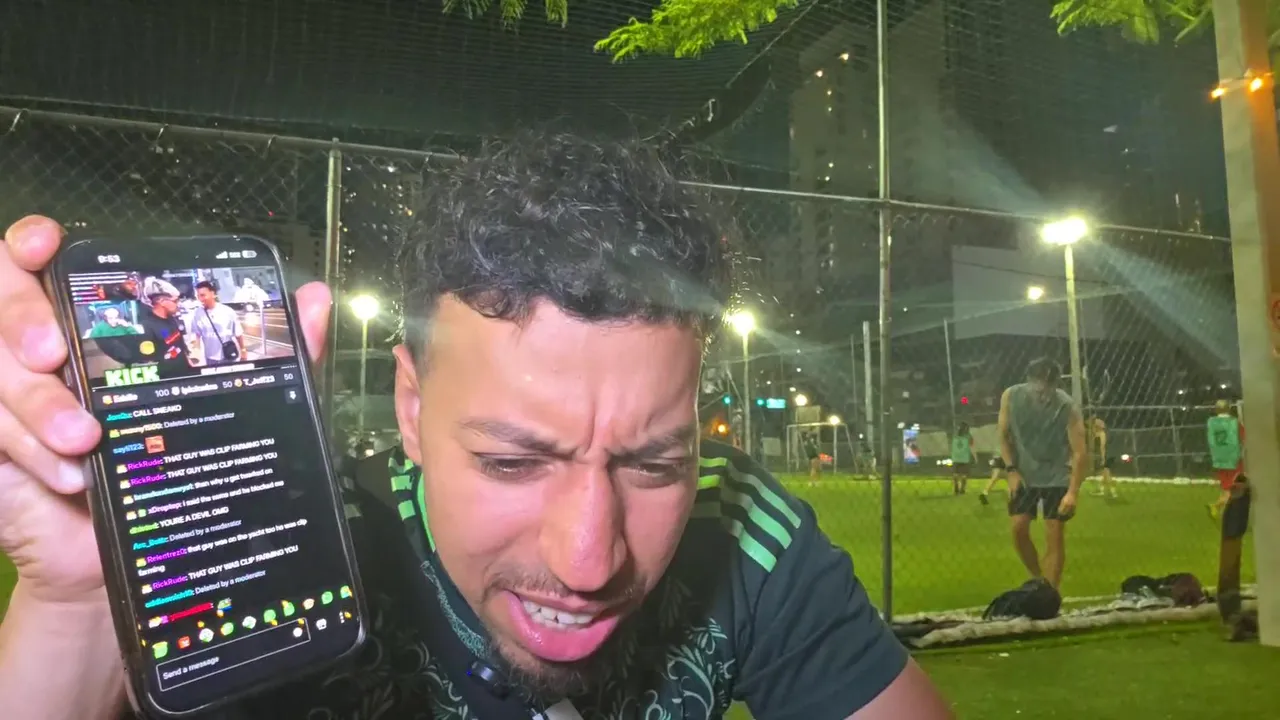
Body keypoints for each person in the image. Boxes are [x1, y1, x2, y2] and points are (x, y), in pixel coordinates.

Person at [0, 135, 950, 719]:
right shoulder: (288, 561)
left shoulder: (742, 529)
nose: (588, 561)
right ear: (410, 408)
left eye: (654, 465)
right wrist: (78, 604)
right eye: (511, 461)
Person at [998, 357, 1088, 590]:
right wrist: (1011, 471)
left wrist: (1072, 493)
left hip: (1056, 474)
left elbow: (1080, 451)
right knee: (1019, 528)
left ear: (1056, 385)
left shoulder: (1067, 406)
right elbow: (1004, 436)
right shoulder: (1011, 396)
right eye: (1038, 388)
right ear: (1028, 380)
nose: (1042, 394)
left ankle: (1051, 593)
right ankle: (1039, 580)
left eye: (1048, 389)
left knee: (1054, 533)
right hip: (1024, 473)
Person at [190, 279, 246, 364]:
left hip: (228, 356)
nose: (200, 299)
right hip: (210, 358)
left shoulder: (228, 311)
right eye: (198, 296)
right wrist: (195, 352)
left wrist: (243, 350)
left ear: (213, 294)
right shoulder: (197, 313)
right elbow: (196, 334)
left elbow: (238, 333)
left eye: (203, 295)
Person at [1207, 399, 1245, 520]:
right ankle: (1218, 507)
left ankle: (1221, 511)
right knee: (1236, 489)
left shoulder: (1212, 423)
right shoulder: (1234, 423)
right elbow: (1244, 437)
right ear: (1229, 408)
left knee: (1227, 488)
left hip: (1219, 459)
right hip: (1233, 460)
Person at [1088, 416, 1119, 499]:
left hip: (1107, 456)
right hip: (1110, 455)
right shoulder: (1102, 433)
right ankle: (1101, 490)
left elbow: (1103, 446)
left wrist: (1103, 458)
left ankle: (1113, 493)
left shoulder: (1102, 434)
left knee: (1107, 475)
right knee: (1104, 474)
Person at [950, 422, 974, 495]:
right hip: (965, 458)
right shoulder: (968, 436)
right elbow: (972, 446)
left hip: (955, 457)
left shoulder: (954, 436)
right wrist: (975, 456)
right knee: (964, 474)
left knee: (955, 473)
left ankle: (956, 487)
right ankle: (962, 489)